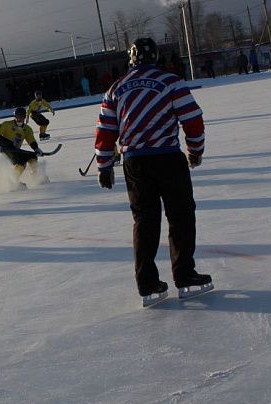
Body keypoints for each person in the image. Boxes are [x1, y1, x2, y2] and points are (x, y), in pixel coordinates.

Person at [93, 38, 213, 307]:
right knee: (180, 215)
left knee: (145, 222)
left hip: (134, 162)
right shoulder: (172, 82)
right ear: (156, 57)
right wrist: (196, 151)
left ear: (131, 59)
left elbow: (105, 130)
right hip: (168, 158)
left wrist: (103, 166)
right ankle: (184, 275)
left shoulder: (115, 89)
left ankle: (148, 284)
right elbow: (192, 120)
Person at [0, 107, 48, 189]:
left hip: (15, 150)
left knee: (32, 156)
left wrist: (36, 149)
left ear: (24, 117)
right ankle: (13, 181)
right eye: (17, 116)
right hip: (5, 149)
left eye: (22, 117)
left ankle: (37, 177)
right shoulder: (7, 124)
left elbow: (31, 140)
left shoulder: (27, 129)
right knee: (21, 162)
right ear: (15, 116)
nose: (19, 119)